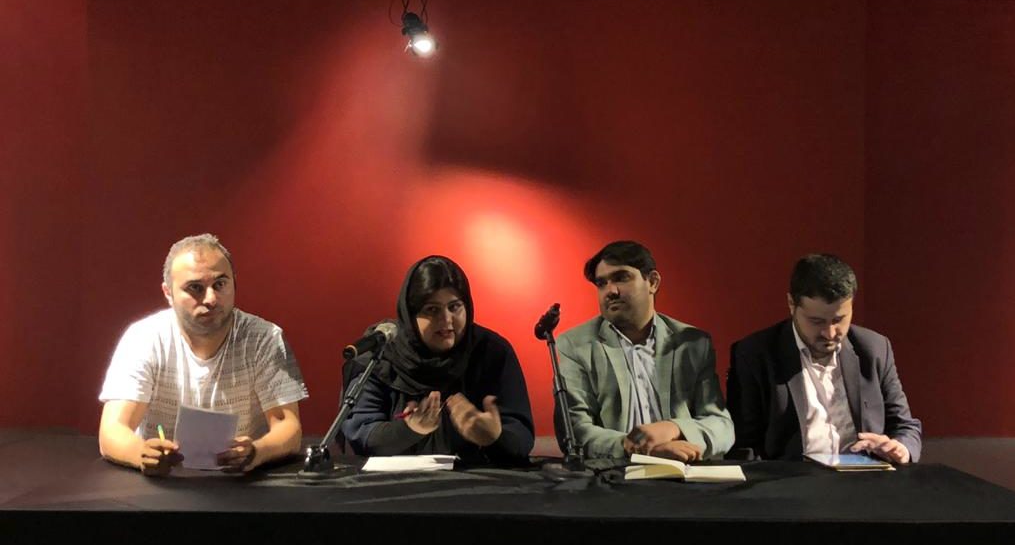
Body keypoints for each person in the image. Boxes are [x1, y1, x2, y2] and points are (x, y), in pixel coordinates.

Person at [98, 234, 308, 476]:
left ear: (234, 283)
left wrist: (256, 452)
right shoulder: (144, 338)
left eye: (220, 284)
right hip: (162, 484)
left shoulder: (264, 338)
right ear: (168, 293)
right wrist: (141, 454)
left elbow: (288, 426)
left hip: (241, 483)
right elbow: (113, 429)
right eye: (195, 288)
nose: (211, 299)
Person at [727, 253, 922, 463]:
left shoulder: (874, 349)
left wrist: (901, 448)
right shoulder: (755, 354)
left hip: (866, 475)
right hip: (792, 478)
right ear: (791, 304)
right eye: (816, 321)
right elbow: (745, 447)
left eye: (839, 320)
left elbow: (905, 426)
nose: (829, 333)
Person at [341, 255, 534, 465]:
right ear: (411, 314)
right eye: (432, 310)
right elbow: (362, 435)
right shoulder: (382, 355)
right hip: (395, 482)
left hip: (474, 480)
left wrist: (494, 438)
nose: (446, 320)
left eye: (455, 307)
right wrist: (409, 429)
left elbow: (521, 438)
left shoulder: (491, 352)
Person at [556, 241, 734, 462]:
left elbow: (721, 425)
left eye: (621, 278)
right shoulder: (575, 345)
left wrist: (673, 428)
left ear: (653, 282)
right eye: (602, 283)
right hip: (615, 473)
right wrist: (637, 448)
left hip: (685, 471)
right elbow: (574, 430)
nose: (610, 291)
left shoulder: (692, 344)